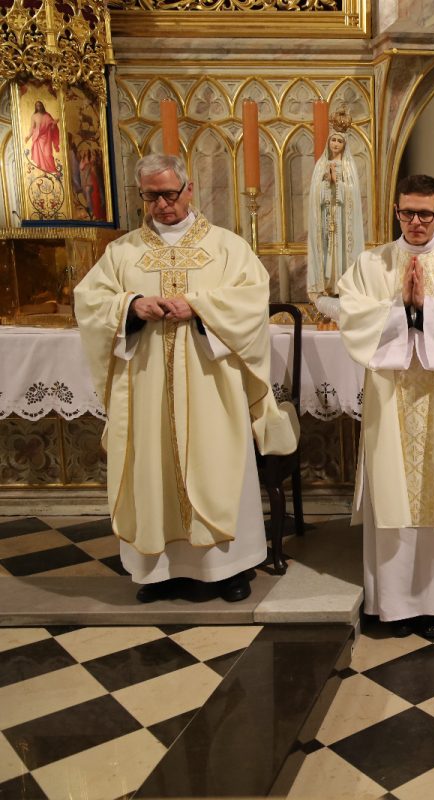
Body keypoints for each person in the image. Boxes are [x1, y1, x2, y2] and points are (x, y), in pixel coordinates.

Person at [74, 153, 299, 603]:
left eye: (169, 194)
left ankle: (228, 569)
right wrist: (131, 306)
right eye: (151, 197)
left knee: (217, 467)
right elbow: (90, 302)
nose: (161, 204)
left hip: (211, 385)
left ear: (189, 189)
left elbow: (252, 302)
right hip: (147, 386)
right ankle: (159, 572)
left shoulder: (227, 247)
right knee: (152, 469)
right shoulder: (122, 252)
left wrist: (198, 306)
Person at [337, 174, 434, 638]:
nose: (416, 222)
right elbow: (352, 319)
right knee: (394, 495)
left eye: (425, 213)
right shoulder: (371, 264)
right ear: (396, 211)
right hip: (390, 402)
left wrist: (427, 309)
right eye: (407, 212)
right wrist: (400, 309)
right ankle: (396, 605)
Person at [307, 130, 365, 303]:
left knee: (341, 248)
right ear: (328, 142)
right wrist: (325, 183)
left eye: (340, 141)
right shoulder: (321, 165)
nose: (336, 144)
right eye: (333, 140)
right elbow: (314, 192)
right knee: (327, 248)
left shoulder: (348, 166)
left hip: (342, 216)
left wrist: (336, 181)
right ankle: (327, 284)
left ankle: (342, 285)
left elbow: (352, 193)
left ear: (344, 145)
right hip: (326, 214)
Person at [26, 100, 60, 175]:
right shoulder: (34, 116)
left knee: (48, 154)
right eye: (37, 106)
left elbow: (52, 125)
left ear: (42, 106)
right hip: (38, 138)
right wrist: (28, 137)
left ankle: (53, 169)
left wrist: (54, 123)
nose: (39, 107)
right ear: (35, 107)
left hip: (47, 137)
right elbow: (32, 128)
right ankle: (44, 172)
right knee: (40, 156)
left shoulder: (47, 115)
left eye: (40, 105)